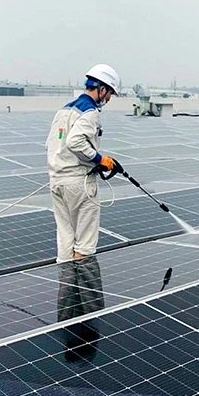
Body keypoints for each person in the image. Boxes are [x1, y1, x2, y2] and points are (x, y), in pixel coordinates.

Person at [46, 64, 120, 262]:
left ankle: (66, 290)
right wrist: (99, 159)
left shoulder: (64, 110)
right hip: (80, 184)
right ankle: (85, 291)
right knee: (84, 246)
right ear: (102, 89)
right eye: (110, 92)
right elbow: (75, 141)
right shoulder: (90, 113)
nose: (109, 98)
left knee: (65, 240)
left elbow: (51, 144)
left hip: (57, 182)